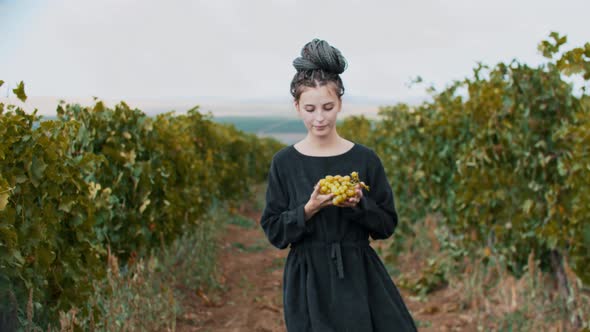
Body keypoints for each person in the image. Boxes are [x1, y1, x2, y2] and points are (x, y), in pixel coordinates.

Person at [259, 38, 418, 332]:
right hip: (308, 281)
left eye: (328, 107)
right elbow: (274, 231)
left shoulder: (365, 159)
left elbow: (386, 225)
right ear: (297, 106)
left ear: (340, 103)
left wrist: (360, 205)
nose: (319, 118)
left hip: (359, 274)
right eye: (310, 109)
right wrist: (308, 209)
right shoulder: (284, 162)